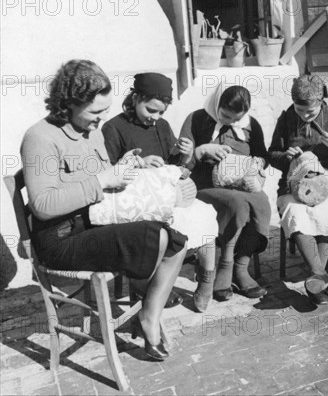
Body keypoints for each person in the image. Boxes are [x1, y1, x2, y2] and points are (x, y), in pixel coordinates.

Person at [21, 60, 187, 360]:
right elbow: (43, 206)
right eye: (95, 112)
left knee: (176, 240)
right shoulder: (40, 137)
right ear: (68, 104)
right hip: (61, 238)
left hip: (94, 219)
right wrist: (102, 180)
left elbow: (103, 175)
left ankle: (148, 312)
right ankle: (148, 310)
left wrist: (127, 166)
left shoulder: (91, 131)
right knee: (158, 237)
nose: (101, 120)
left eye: (105, 111)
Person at [102, 72, 219, 313]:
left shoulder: (162, 126)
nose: (155, 117)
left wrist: (184, 154)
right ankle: (154, 286)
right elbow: (109, 174)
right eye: (151, 110)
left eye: (161, 112)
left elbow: (173, 166)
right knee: (175, 221)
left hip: (166, 194)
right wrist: (138, 162)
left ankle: (207, 279)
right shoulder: (113, 128)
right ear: (135, 98)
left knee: (204, 212)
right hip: (136, 201)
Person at [268, 74, 328, 305]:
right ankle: (319, 273)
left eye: (311, 111)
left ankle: (316, 275)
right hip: (292, 181)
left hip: (327, 183)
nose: (305, 116)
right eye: (300, 110)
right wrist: (286, 156)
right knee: (295, 211)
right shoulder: (287, 117)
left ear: (322, 101)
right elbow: (272, 155)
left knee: (327, 212)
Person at [179, 84, 271, 301]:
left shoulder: (251, 125)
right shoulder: (197, 119)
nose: (230, 122)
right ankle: (225, 267)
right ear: (216, 103)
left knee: (262, 204)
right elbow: (180, 165)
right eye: (225, 115)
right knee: (237, 204)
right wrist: (201, 151)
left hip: (242, 184)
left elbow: (263, 156)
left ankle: (241, 267)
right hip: (205, 185)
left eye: (236, 118)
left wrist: (255, 163)